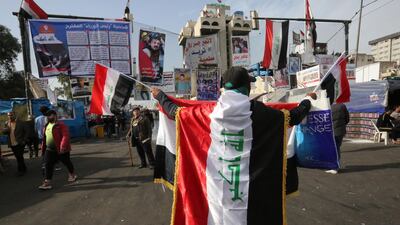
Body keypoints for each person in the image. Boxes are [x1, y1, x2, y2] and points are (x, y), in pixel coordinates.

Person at [151, 66, 316, 224]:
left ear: (224, 88)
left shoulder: (206, 113)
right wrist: (307, 100)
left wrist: (160, 96)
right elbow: (293, 116)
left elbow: (175, 112)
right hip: (251, 197)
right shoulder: (264, 114)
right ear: (247, 88)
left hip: (214, 195)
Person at [38, 110, 77, 190]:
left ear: (55, 116)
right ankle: (47, 182)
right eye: (47, 116)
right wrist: (43, 147)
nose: (48, 117)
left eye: (50, 115)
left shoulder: (61, 125)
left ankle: (72, 174)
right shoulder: (46, 125)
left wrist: (62, 146)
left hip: (61, 149)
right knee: (48, 165)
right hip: (49, 149)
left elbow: (65, 136)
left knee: (67, 162)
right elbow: (45, 138)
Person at [2, 112, 27, 176]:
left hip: (20, 143)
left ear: (14, 115)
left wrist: (24, 140)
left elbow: (26, 132)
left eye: (11, 115)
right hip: (12, 143)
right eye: (8, 115)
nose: (10, 117)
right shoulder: (7, 123)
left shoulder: (21, 123)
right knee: (18, 157)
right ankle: (24, 168)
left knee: (19, 156)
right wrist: (5, 130)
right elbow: (4, 132)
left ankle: (20, 171)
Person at [328, 103, 350, 174]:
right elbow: (347, 119)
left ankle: (335, 167)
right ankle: (334, 166)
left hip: (330, 131)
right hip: (340, 131)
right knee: (337, 147)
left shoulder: (327, 106)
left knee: (334, 149)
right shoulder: (342, 106)